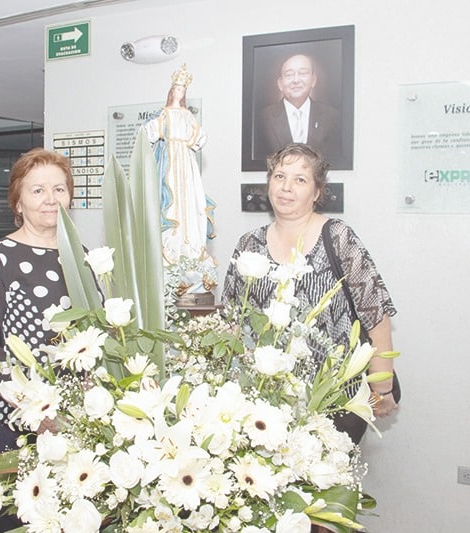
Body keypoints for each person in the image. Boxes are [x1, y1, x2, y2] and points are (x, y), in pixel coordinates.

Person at [221, 143, 398, 444]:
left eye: (300, 180)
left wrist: (382, 388)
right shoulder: (249, 244)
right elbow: (231, 320)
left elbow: (375, 314)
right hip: (266, 401)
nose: (286, 187)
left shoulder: (338, 237)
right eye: (279, 176)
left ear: (317, 192)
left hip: (334, 400)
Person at [0, 148, 74, 532]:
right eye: (38, 190)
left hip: (74, 418)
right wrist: (39, 414)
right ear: (18, 201)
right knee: (22, 519)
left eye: (59, 189)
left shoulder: (81, 259)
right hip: (12, 418)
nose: (50, 199)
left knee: (72, 518)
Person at [142, 63, 216, 273]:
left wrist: (190, 144)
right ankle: (171, 246)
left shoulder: (187, 115)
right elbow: (150, 132)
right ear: (171, 91)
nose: (179, 92)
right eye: (176, 89)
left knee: (190, 200)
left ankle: (190, 245)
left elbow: (199, 135)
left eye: (182, 90)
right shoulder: (164, 114)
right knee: (171, 197)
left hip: (185, 160)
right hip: (170, 161)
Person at [255, 54, 341, 162]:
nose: (296, 80)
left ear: (313, 80)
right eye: (289, 74)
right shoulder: (263, 119)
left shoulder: (332, 116)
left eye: (302, 73)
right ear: (280, 84)